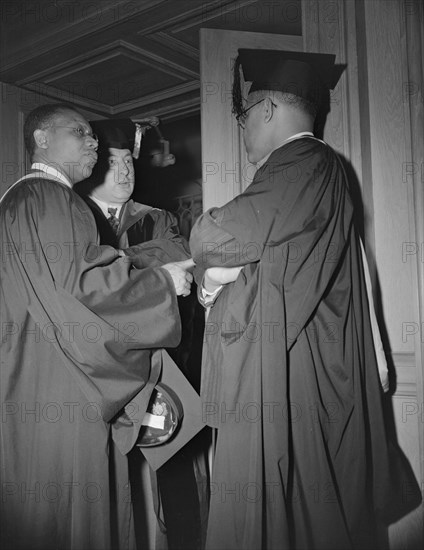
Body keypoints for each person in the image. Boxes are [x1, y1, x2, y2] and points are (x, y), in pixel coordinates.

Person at [189, 50, 396, 550]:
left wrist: (210, 276)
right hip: (307, 364)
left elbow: (214, 239)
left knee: (282, 514)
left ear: (265, 110)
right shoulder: (323, 168)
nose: (242, 133)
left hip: (291, 375)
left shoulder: (300, 163)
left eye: (242, 119)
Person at [0, 103, 193, 550]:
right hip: (61, 385)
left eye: (94, 135)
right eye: (80, 132)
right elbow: (85, 291)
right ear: (42, 140)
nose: (92, 142)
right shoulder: (51, 197)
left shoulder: (13, 201)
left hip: (23, 378)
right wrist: (163, 282)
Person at [74, 119, 204, 550]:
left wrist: (117, 266)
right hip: (95, 373)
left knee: (173, 466)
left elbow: (179, 258)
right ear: (92, 165)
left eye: (129, 160)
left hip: (159, 366)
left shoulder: (155, 218)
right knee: (109, 480)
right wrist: (140, 268)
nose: (126, 171)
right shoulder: (74, 219)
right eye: (113, 162)